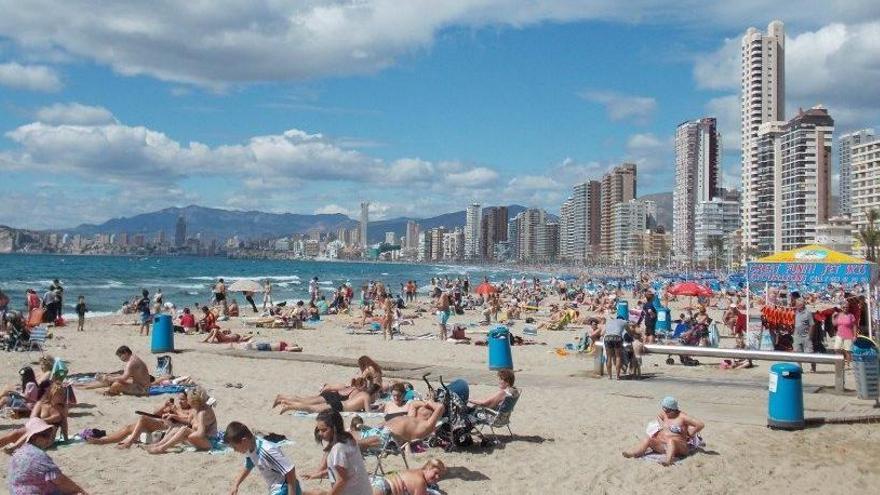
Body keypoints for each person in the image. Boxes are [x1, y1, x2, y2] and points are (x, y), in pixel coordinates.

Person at [7, 417, 89, 494]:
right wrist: (81, 491)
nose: (49, 438)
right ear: (35, 437)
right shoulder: (39, 456)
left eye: (49, 434)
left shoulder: (19, 451)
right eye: (45, 435)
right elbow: (60, 480)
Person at [87, 393, 193, 448]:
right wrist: (163, 406)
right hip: (158, 423)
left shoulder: (191, 409)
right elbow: (155, 413)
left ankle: (129, 442)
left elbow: (188, 420)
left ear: (189, 400)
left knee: (143, 418)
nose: (180, 401)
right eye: (179, 399)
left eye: (183, 399)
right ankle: (102, 441)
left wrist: (176, 411)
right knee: (127, 428)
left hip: (167, 427)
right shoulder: (177, 407)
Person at [623, 396, 705, 466]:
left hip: (679, 447)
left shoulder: (683, 417)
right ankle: (634, 453)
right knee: (648, 439)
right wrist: (661, 425)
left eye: (667, 411)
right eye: (664, 409)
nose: (665, 412)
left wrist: (691, 433)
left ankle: (668, 461)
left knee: (671, 440)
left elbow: (700, 424)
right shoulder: (665, 414)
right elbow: (658, 416)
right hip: (663, 446)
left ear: (673, 410)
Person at [226, 421, 300, 495]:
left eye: (235, 447)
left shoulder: (267, 451)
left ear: (244, 440)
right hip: (277, 488)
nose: (235, 450)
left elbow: (290, 470)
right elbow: (249, 464)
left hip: (284, 488)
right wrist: (236, 484)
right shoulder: (250, 448)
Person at [309, 410, 372, 495]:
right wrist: (319, 474)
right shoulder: (349, 439)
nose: (320, 433)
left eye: (324, 430)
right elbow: (347, 469)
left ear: (334, 428)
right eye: (319, 430)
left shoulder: (338, 448)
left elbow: (342, 480)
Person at [146, 387, 219, 454]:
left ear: (194, 401)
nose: (188, 401)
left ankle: (162, 448)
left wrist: (187, 434)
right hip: (199, 439)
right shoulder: (195, 409)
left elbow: (200, 434)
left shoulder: (202, 413)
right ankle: (157, 445)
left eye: (189, 399)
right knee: (176, 428)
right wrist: (174, 416)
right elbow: (188, 420)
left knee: (184, 429)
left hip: (209, 443)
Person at [276, 379, 378, 414]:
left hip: (336, 400)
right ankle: (289, 406)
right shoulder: (365, 396)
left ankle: (287, 402)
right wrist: (378, 410)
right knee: (313, 408)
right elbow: (368, 412)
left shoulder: (357, 391)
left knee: (306, 401)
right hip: (339, 405)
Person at [83, 346, 151, 396]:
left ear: (125, 353)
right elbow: (127, 375)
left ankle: (109, 393)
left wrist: (108, 378)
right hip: (143, 386)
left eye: (120, 356)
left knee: (116, 384)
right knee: (115, 380)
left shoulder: (131, 363)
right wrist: (111, 376)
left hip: (142, 389)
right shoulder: (134, 358)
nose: (120, 358)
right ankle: (109, 391)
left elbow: (124, 378)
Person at [370, 459, 446, 495]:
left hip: (377, 480)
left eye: (439, 476)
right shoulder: (421, 482)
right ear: (428, 468)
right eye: (435, 473)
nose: (437, 477)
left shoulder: (415, 471)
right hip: (384, 488)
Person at [792, 300, 816, 372]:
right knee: (797, 352)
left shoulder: (808, 313)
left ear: (803, 305)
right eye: (797, 305)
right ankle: (799, 368)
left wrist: (809, 336)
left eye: (799, 305)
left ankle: (813, 367)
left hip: (806, 335)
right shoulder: (795, 312)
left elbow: (812, 325)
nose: (798, 306)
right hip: (797, 335)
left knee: (809, 353)